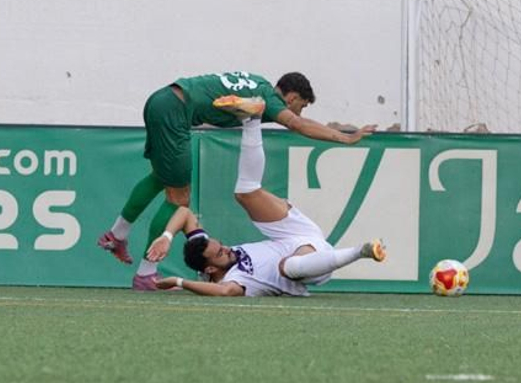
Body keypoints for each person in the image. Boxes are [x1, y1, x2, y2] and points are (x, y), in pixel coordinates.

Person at [96, 70, 371, 290]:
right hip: (175, 112)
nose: (299, 113)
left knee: (160, 177)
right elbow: (296, 125)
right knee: (179, 199)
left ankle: (117, 234)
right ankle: (146, 274)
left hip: (162, 99)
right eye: (300, 106)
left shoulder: (258, 84)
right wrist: (346, 137)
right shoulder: (268, 100)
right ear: (291, 95)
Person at [146, 108, 385, 296]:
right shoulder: (235, 280)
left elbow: (185, 213)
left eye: (222, 245)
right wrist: (179, 282)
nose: (227, 249)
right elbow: (224, 291)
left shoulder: (205, 249)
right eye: (220, 253)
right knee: (288, 267)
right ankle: (361, 251)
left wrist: (166, 237)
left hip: (294, 234)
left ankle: (252, 119)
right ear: (209, 269)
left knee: (245, 193)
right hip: (311, 264)